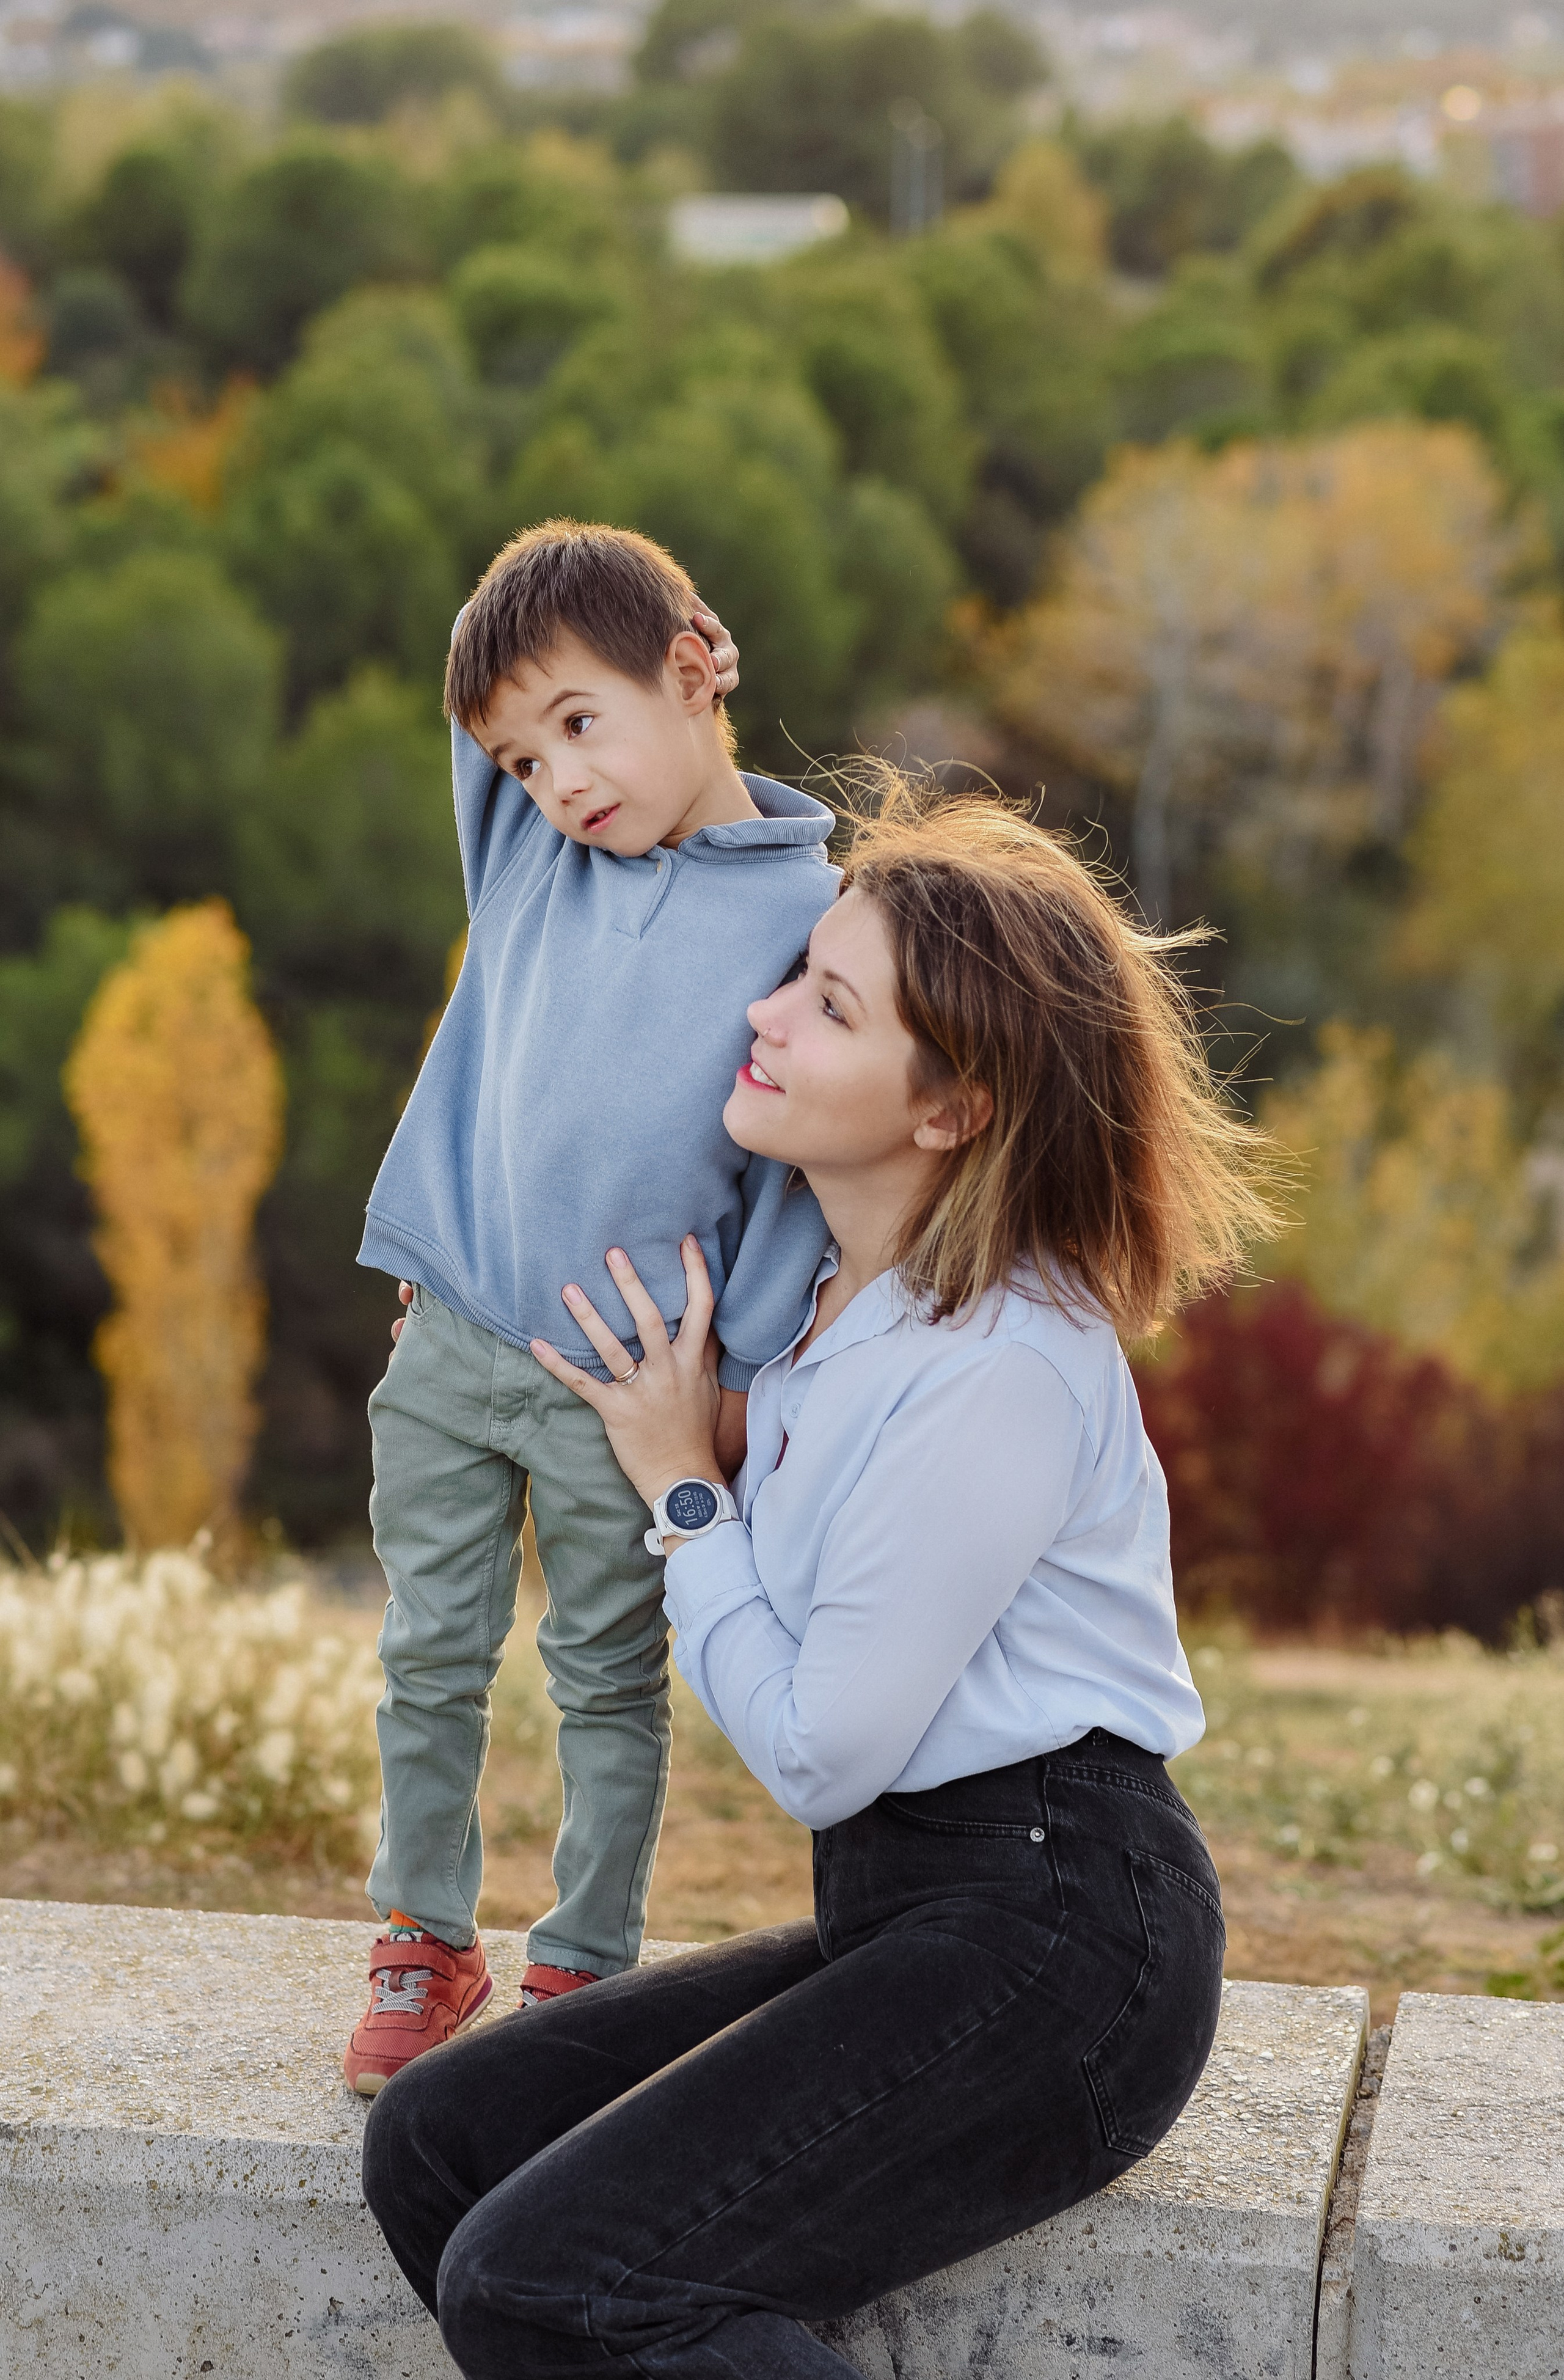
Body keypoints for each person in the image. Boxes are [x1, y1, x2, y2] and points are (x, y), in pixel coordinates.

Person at [362, 788, 1285, 2380]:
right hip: (916, 1912)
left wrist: (682, 1489)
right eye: (800, 973)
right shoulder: (827, 1312)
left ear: (949, 1110)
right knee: (444, 2137)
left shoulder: (997, 1362)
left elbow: (817, 1747)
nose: (767, 1013)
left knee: (550, 2283)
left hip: (1067, 1948)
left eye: (832, 1007)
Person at [343, 522, 839, 2096]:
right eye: (522, 756)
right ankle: (424, 1937)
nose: (559, 778)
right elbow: (484, 699)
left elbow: (793, 1169)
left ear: (697, 674)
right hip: (454, 1340)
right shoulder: (527, 855)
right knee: (431, 1652)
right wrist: (533, 683)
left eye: (581, 726)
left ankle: (585, 1975)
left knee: (610, 1681)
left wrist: (733, 1381)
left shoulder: (811, 916)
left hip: (624, 1389)